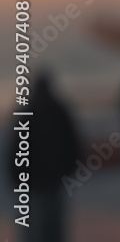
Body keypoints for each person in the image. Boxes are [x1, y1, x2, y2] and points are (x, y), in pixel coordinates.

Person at [6, 71, 81, 242]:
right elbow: (74, 145)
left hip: (32, 184)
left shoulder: (26, 112)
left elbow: (16, 150)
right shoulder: (60, 110)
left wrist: (17, 179)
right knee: (54, 228)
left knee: (33, 230)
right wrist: (68, 172)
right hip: (55, 182)